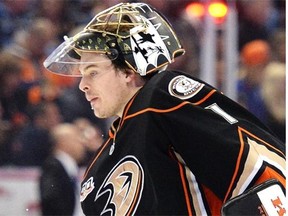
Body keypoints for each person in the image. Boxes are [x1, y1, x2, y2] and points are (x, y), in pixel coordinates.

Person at [43, 3, 286, 215]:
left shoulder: (160, 98)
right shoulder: (96, 171)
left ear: (129, 70)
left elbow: (259, 167)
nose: (83, 85)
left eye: (93, 72)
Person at [39, 123, 86, 216]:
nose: (82, 143)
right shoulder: (53, 166)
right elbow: (50, 198)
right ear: (64, 142)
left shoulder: (68, 168)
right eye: (77, 140)